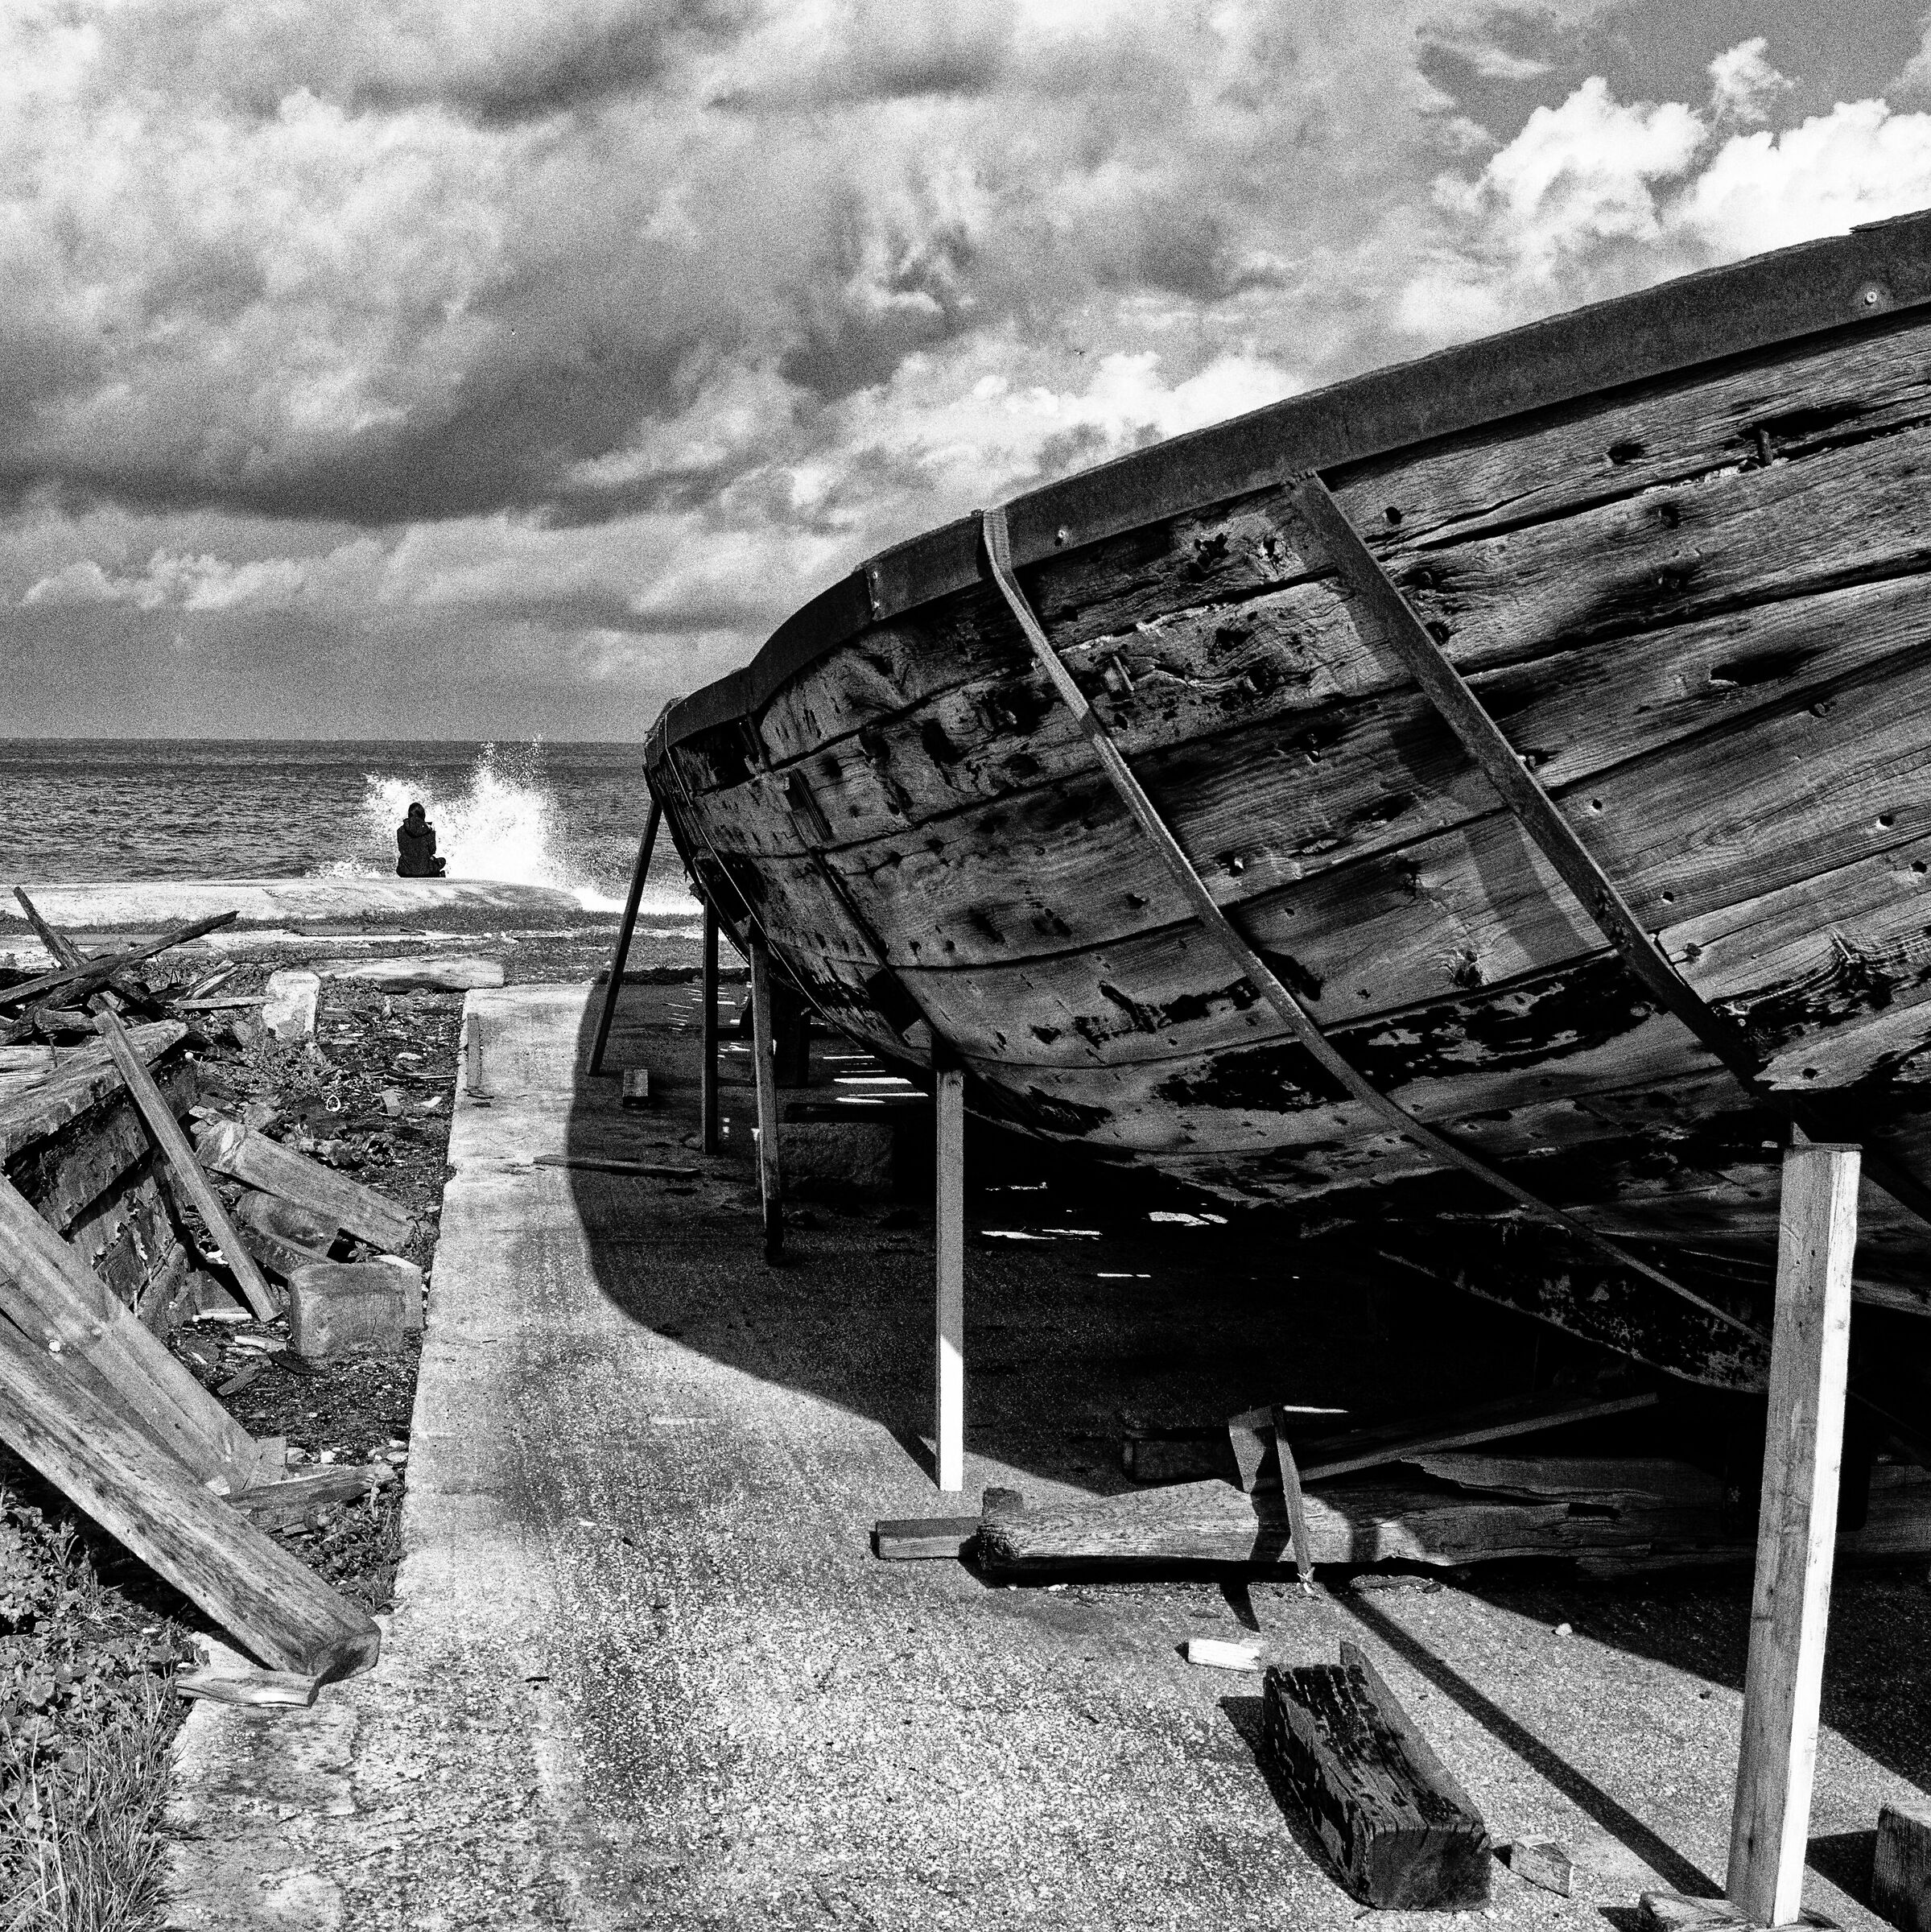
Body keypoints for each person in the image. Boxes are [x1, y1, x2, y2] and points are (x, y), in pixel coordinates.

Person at [395, 802, 448, 878]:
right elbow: (432, 851)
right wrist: (432, 833)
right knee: (442, 861)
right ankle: (437, 875)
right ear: (422, 815)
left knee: (404, 861)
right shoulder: (428, 830)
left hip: (405, 871)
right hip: (425, 871)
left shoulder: (400, 830)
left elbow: (402, 850)